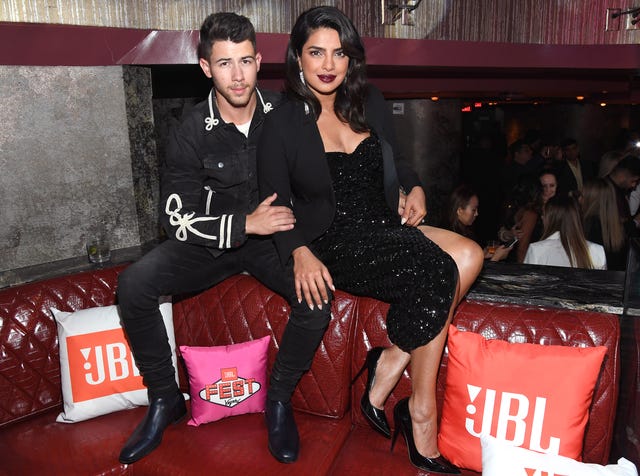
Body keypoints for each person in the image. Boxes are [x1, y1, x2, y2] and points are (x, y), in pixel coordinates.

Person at [257, 6, 483, 474]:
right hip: (334, 240)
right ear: (297, 57)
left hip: (382, 223)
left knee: (469, 253)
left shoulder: (370, 100)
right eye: (316, 52)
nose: (328, 64)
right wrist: (299, 251)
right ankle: (421, 412)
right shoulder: (281, 121)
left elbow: (398, 160)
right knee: (435, 269)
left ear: (351, 59)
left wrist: (415, 186)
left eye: (339, 53)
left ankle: (390, 360)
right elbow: (273, 201)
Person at [116, 12, 331, 465]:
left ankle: (277, 400)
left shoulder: (287, 113)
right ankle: (164, 398)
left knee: (316, 301)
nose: (238, 75)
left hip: (274, 243)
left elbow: (338, 161)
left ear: (259, 61)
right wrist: (244, 224)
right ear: (205, 67)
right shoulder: (191, 129)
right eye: (225, 63)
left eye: (246, 61)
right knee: (134, 284)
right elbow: (175, 218)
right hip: (211, 244)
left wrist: (404, 185)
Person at [524, 195, 606, 269]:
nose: (542, 218)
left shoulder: (536, 250)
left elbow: (528, 281)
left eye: (544, 214)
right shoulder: (597, 251)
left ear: (549, 219)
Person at [446, 184, 511, 262]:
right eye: (473, 210)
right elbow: (461, 269)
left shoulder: (462, 230)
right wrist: (496, 258)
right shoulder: (453, 237)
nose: (477, 213)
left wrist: (482, 255)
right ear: (460, 211)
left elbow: (467, 261)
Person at [582, 178, 627, 271]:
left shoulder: (586, 226)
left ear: (590, 199)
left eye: (582, 196)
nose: (579, 199)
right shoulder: (619, 228)